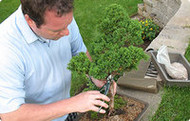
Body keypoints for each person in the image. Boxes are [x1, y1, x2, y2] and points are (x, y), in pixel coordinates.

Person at [0, 0, 116, 120]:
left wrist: (94, 75)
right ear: (30, 21)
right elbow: (11, 115)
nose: (66, 32)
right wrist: (72, 104)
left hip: (66, 110)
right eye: (56, 31)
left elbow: (79, 51)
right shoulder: (6, 50)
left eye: (68, 24)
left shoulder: (60, 19)